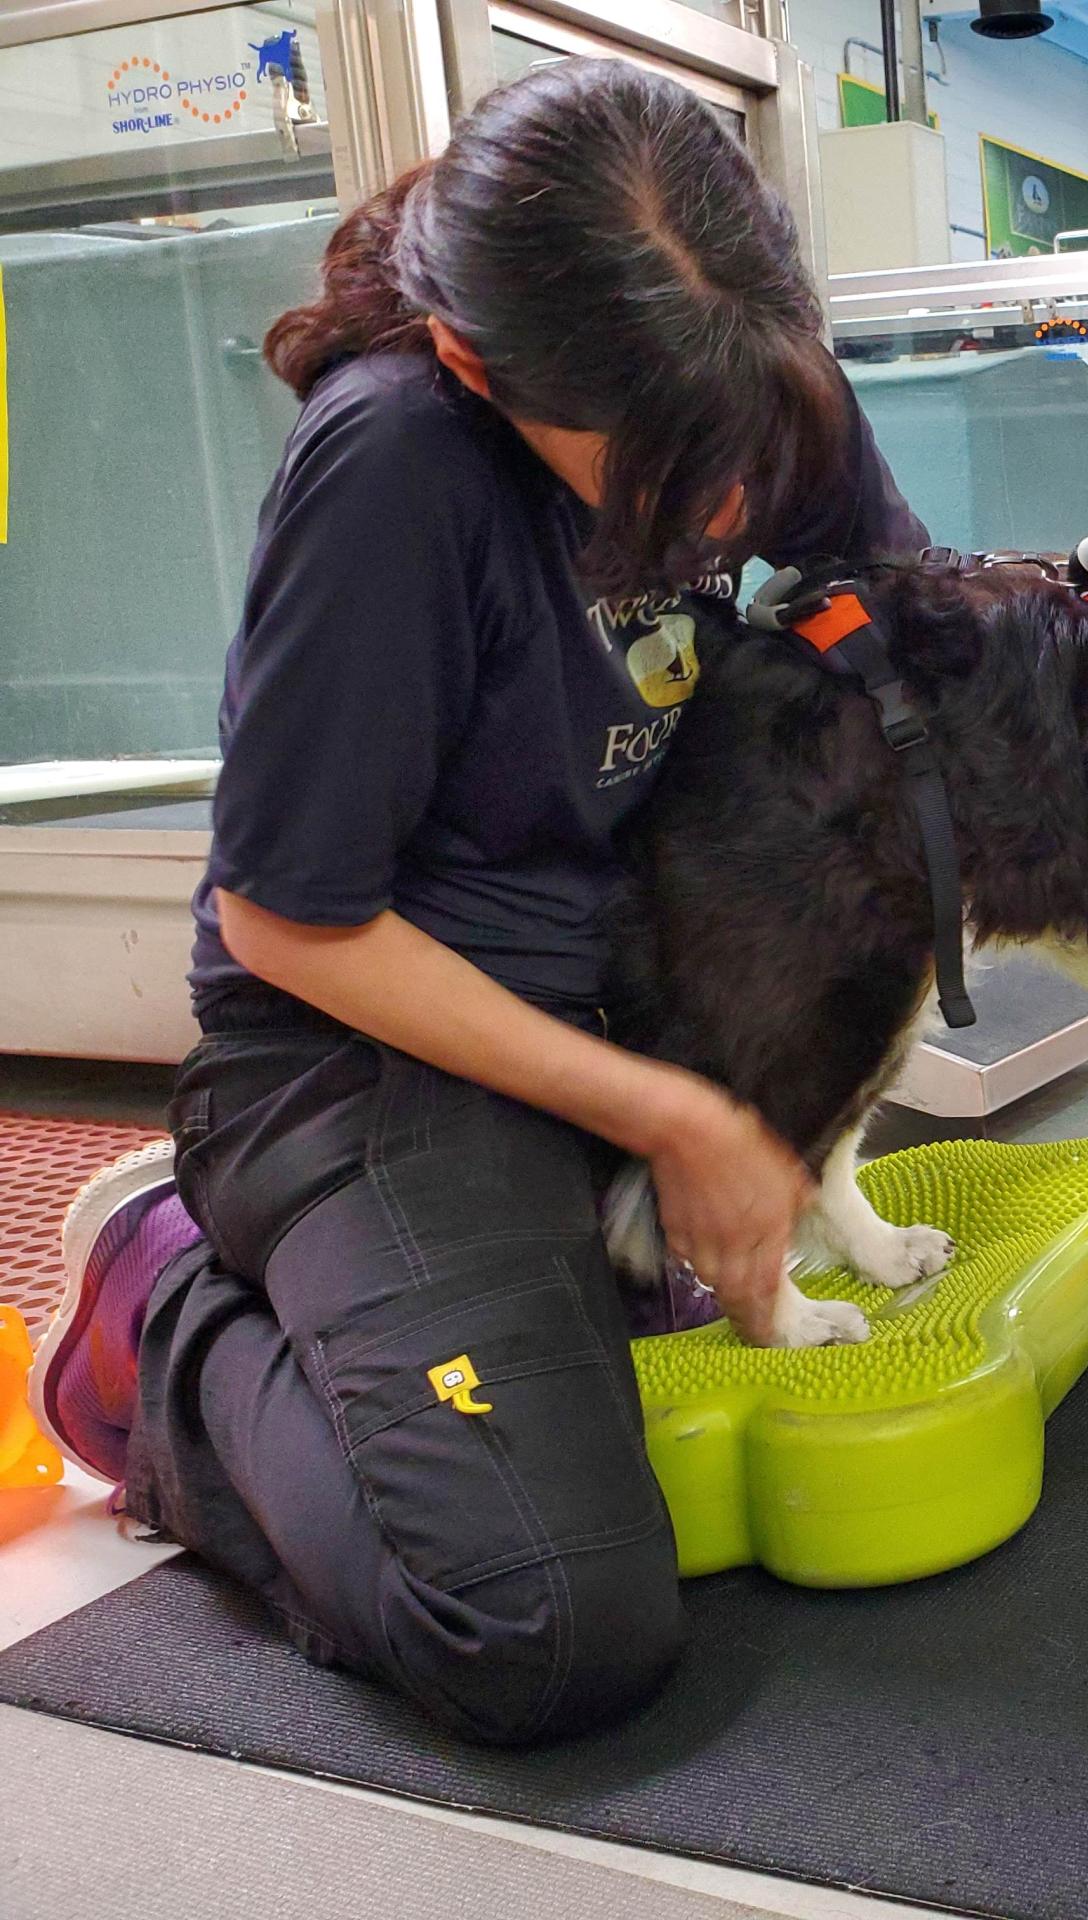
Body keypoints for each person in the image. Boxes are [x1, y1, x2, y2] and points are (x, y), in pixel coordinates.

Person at [31, 59, 927, 1745]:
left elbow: (893, 626)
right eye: (672, 475)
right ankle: (164, 1309)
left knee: (635, 1324)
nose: (729, 509)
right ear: (474, 360)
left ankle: (494, 1267)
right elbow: (286, 923)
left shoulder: (743, 377)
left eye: (742, 451)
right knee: (539, 1623)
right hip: (362, 1053)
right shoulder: (394, 462)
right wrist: (667, 1112)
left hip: (624, 996)